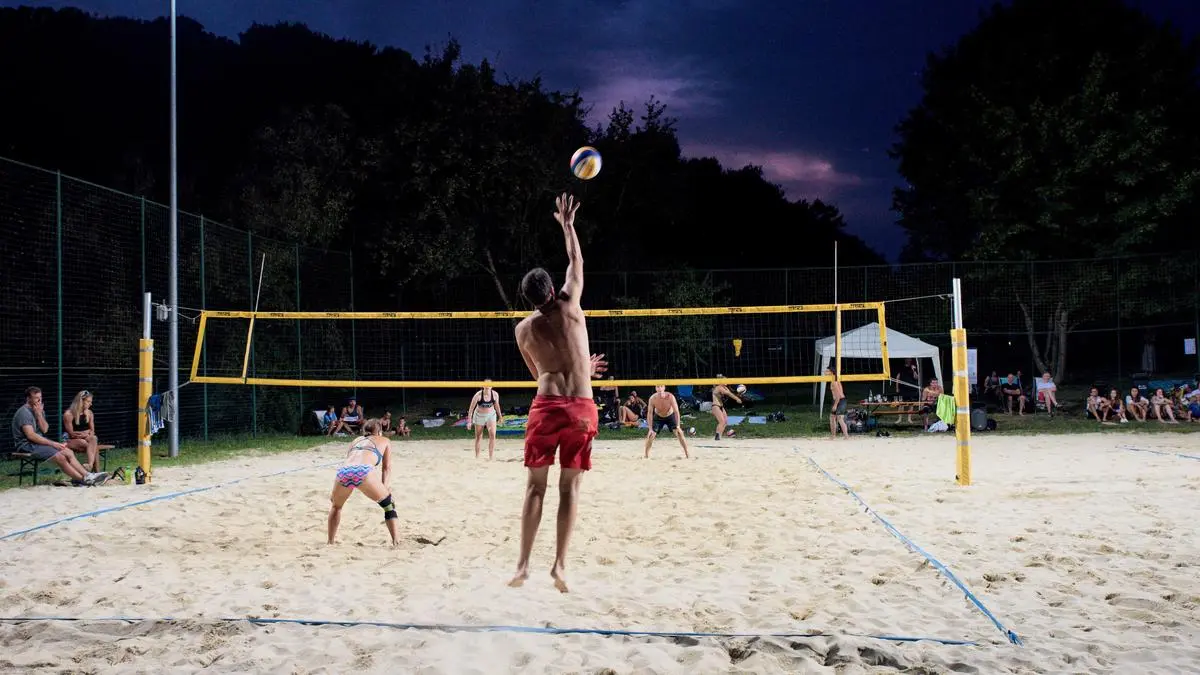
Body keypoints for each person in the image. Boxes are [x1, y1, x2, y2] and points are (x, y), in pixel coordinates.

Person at [509, 192, 608, 593]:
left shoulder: (523, 330)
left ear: (529, 299)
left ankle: (522, 566)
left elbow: (539, 373)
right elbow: (577, 262)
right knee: (570, 488)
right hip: (581, 407)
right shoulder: (571, 305)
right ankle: (560, 567)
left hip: (547, 405)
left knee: (535, 488)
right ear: (553, 288)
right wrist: (567, 225)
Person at [12, 386, 106, 486]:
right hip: (26, 445)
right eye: (36, 398)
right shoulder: (23, 413)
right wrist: (53, 443)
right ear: (28, 398)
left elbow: (45, 429)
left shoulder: (39, 410)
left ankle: (88, 475)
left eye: (40, 397)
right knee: (60, 457)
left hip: (38, 443)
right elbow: (31, 436)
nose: (39, 400)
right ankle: (83, 480)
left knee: (68, 452)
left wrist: (39, 414)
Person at [327, 418, 399, 546]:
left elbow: (350, 458)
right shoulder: (385, 440)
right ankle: (396, 541)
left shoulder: (355, 440)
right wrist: (385, 489)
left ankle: (330, 541)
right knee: (388, 506)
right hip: (364, 471)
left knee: (336, 506)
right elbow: (386, 468)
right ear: (379, 431)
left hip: (344, 471)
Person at [644, 385, 689, 459]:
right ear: (656, 388)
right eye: (658, 387)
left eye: (661, 386)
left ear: (664, 388)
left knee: (679, 433)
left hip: (670, 416)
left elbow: (676, 411)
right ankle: (646, 455)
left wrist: (678, 426)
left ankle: (687, 454)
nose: (660, 388)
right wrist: (650, 428)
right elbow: (649, 413)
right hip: (658, 417)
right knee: (651, 435)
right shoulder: (653, 398)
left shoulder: (670, 396)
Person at [63, 389, 100, 472]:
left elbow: (92, 431)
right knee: (92, 446)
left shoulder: (89, 413)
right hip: (69, 440)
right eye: (88, 401)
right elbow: (71, 434)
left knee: (94, 438)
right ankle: (96, 472)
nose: (91, 404)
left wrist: (87, 434)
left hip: (84, 438)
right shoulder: (69, 414)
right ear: (81, 401)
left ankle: (90, 465)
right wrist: (85, 433)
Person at [467, 379, 503, 460]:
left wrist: (500, 417)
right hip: (479, 415)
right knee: (479, 436)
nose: (487, 386)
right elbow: (471, 409)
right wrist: (469, 421)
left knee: (493, 434)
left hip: (491, 415)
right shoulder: (478, 395)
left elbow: (497, 406)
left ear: (491, 386)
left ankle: (491, 457)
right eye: (485, 385)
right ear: (482, 386)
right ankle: (477, 457)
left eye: (489, 385)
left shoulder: (495, 394)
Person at [709, 376, 742, 440]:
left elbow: (731, 393)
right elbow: (728, 394)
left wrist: (739, 394)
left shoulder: (725, 388)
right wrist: (737, 399)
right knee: (722, 422)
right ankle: (717, 436)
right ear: (720, 381)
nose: (727, 381)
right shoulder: (718, 387)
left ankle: (719, 436)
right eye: (725, 380)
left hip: (721, 406)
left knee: (725, 421)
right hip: (716, 406)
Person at [827, 368, 849, 439]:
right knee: (832, 417)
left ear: (831, 372)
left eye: (827, 371)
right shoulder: (835, 380)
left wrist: (835, 405)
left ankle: (846, 436)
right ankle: (833, 436)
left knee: (839, 418)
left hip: (840, 400)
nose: (825, 372)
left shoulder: (834, 382)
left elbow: (838, 395)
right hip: (838, 400)